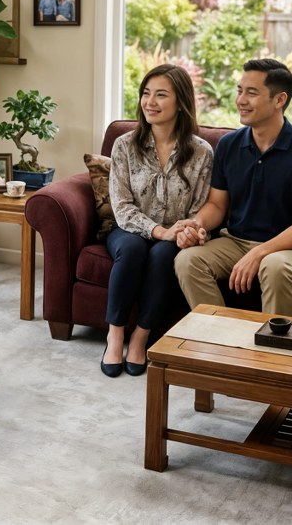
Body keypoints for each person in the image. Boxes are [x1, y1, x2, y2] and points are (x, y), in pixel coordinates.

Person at [174, 58, 292, 318]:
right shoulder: (228, 145)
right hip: (235, 241)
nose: (240, 100)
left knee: (275, 266)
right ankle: (222, 342)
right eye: (239, 90)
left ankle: (274, 351)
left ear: (279, 100)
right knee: (188, 260)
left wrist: (260, 251)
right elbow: (216, 205)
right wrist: (197, 225)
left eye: (251, 93)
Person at [101, 64, 213, 377]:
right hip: (128, 230)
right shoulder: (124, 145)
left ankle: (141, 336)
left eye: (161, 95)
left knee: (164, 255)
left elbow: (201, 208)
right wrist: (159, 230)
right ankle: (115, 334)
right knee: (136, 249)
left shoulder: (202, 152)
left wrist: (185, 232)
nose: (150, 101)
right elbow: (121, 206)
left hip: (175, 237)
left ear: (181, 103)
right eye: (146, 94)